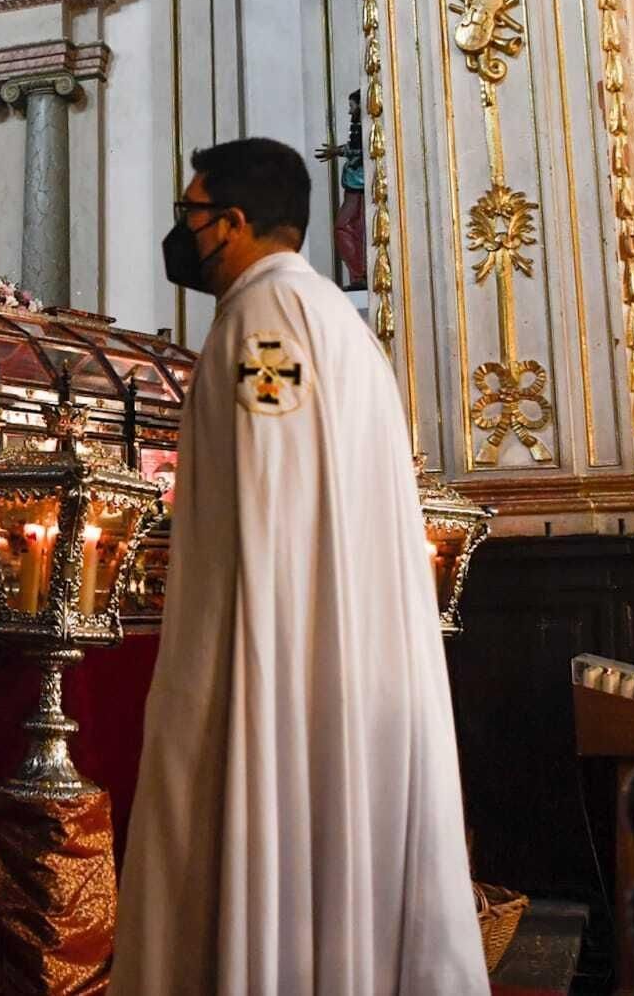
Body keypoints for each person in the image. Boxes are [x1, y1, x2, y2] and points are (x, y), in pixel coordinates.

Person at [111, 138, 487, 994]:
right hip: (344, 661)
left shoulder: (264, 322)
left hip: (282, 667)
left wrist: (250, 685)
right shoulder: (338, 322)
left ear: (234, 225)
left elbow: (269, 507)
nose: (181, 235)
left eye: (190, 216)